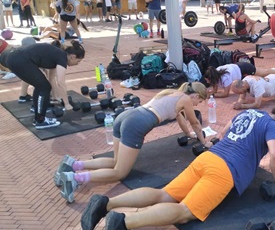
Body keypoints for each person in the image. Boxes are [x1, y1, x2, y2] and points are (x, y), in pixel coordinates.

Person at [80, 106, 275, 230]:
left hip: (207, 158)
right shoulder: (272, 125)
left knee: (163, 194)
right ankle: (124, 222)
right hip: (224, 171)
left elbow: (222, 132)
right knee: (184, 212)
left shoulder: (247, 113)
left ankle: (105, 203)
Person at [54, 82, 209, 203]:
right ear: (195, 95)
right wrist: (205, 142)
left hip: (126, 116)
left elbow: (181, 118)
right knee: (120, 172)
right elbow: (195, 122)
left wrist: (188, 135)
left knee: (116, 161)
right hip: (136, 124)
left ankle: (74, 164)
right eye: (200, 101)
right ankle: (75, 178)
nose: (197, 104)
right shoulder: (187, 99)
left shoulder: (172, 93)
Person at [0, 41, 85, 129]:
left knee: (42, 85)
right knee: (43, 87)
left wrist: (55, 97)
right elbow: (61, 82)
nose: (77, 64)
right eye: (78, 61)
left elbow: (51, 78)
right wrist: (67, 103)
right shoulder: (62, 58)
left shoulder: (56, 54)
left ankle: (37, 111)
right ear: (73, 57)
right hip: (17, 59)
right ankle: (40, 120)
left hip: (10, 55)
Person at [204, 62, 275, 98]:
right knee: (261, 74)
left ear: (212, 78)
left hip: (244, 68)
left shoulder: (225, 78)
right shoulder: (216, 72)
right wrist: (211, 92)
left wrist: (212, 96)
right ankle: (272, 71)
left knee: (262, 73)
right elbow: (215, 88)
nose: (207, 82)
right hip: (237, 67)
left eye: (208, 80)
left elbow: (226, 94)